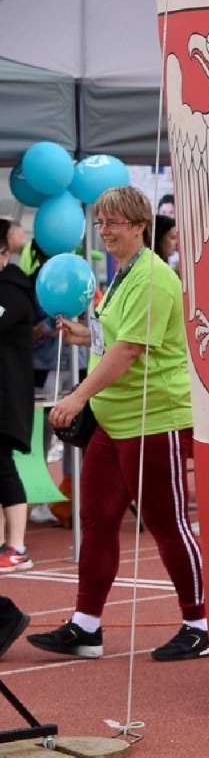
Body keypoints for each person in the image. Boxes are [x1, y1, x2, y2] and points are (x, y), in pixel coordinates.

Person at [29, 186, 208, 662]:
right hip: (115, 419)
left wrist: (75, 396)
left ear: (138, 225)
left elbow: (130, 352)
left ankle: (201, 622)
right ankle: (86, 626)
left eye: (114, 223)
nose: (104, 230)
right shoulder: (124, 275)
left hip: (154, 418)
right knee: (97, 519)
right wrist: (87, 333)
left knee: (168, 524)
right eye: (101, 222)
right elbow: (118, 338)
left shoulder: (150, 278)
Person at [0, 232, 39, 571]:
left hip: (7, 397)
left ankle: (17, 546)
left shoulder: (12, 292)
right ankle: (4, 545)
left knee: (4, 467)